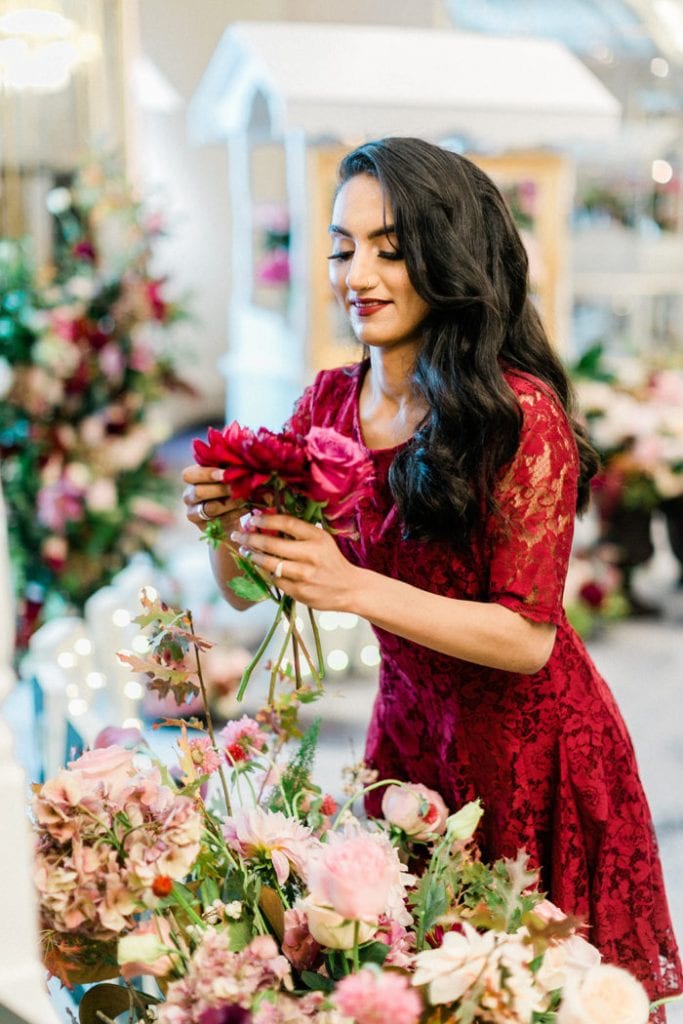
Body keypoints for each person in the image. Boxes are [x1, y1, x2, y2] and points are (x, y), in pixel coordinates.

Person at [183, 137, 682, 1008]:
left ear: (446, 257)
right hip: (409, 743)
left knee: (527, 992)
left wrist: (353, 588)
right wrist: (225, 529)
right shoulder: (328, 403)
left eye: (390, 247)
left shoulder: (515, 414)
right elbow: (250, 590)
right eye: (343, 247)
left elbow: (525, 639)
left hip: (533, 750)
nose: (357, 274)